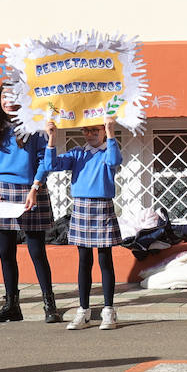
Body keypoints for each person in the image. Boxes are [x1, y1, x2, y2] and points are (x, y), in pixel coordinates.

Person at [0, 83, 56, 323]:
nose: (8, 100)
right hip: (1, 194)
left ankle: (49, 305)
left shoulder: (35, 127)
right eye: (4, 96)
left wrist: (35, 187)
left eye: (13, 96)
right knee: (5, 252)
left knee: (37, 251)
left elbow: (44, 161)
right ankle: (12, 305)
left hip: (31, 190)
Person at [42, 112, 125, 331]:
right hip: (81, 207)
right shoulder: (78, 153)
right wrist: (51, 138)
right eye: (86, 130)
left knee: (105, 259)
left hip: (102, 206)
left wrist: (110, 133)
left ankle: (108, 310)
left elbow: (115, 161)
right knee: (83, 260)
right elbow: (51, 165)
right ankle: (84, 310)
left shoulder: (108, 151)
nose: (89, 135)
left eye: (94, 130)